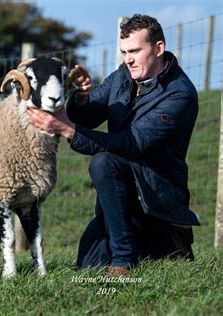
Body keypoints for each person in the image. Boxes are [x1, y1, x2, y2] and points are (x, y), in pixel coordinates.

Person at [27, 14, 199, 276]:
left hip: (157, 199)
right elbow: (88, 116)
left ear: (159, 48)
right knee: (87, 265)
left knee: (104, 161)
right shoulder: (122, 75)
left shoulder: (179, 94)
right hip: (122, 197)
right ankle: (145, 247)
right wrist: (82, 96)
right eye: (124, 52)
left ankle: (128, 259)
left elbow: (131, 144)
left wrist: (66, 129)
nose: (128, 59)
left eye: (135, 51)